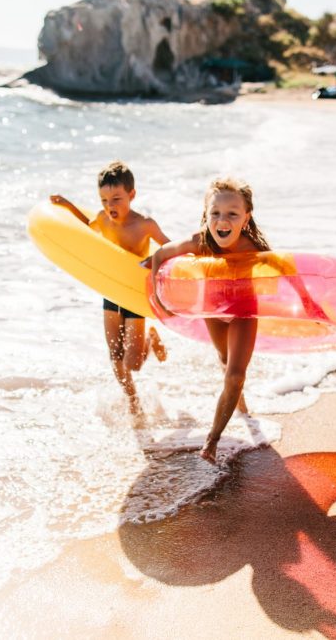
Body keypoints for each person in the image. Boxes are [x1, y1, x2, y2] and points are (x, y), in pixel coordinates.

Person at [146, 177, 271, 463]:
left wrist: (309, 306)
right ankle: (240, 404)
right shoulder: (199, 242)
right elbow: (161, 255)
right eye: (215, 213)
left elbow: (288, 274)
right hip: (214, 310)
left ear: (246, 218)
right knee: (225, 361)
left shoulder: (253, 247)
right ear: (206, 215)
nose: (222, 220)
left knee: (236, 374)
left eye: (232, 214)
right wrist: (160, 299)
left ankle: (212, 440)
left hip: (243, 312)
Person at [50, 161, 169, 415]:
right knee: (114, 351)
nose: (110, 206)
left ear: (132, 195)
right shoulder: (103, 219)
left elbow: (169, 248)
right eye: (104, 200)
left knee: (133, 361)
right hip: (112, 290)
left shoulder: (144, 224)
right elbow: (84, 226)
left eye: (116, 198)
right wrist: (68, 205)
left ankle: (150, 338)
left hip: (134, 292)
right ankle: (133, 401)